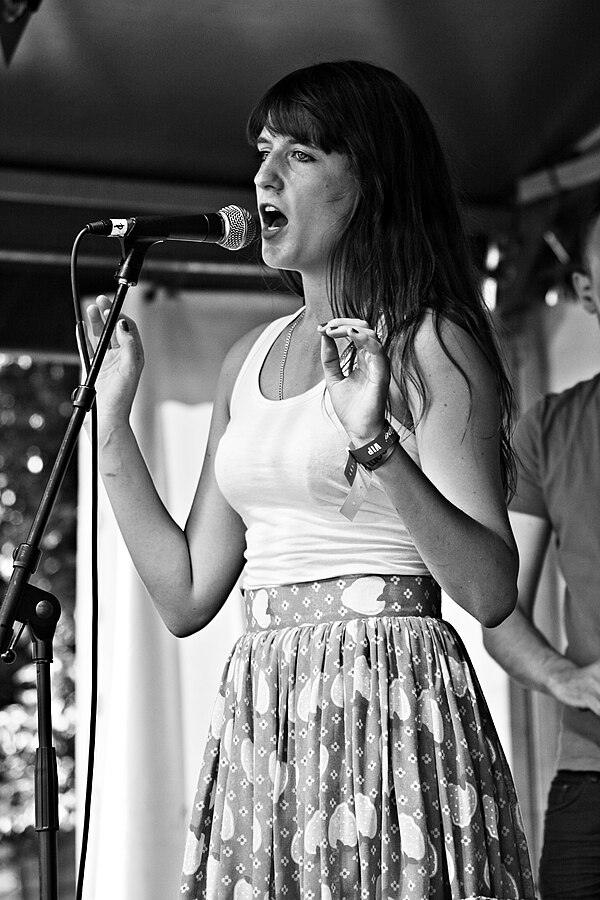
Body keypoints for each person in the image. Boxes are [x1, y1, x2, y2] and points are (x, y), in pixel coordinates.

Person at [86, 60, 535, 899]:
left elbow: (490, 588)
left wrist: (377, 445)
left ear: (371, 180)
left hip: (391, 699)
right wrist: (113, 423)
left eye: (300, 154)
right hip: (268, 706)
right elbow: (185, 595)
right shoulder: (244, 361)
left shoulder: (430, 344)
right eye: (262, 152)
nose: (262, 175)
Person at [483, 204, 600, 899]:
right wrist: (565, 677)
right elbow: (500, 610)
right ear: (587, 293)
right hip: (591, 775)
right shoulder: (550, 430)